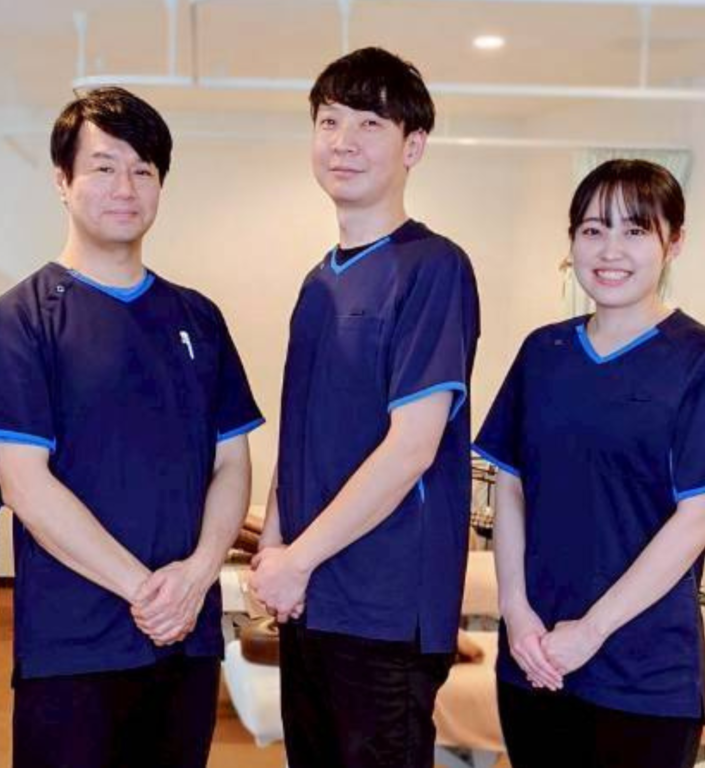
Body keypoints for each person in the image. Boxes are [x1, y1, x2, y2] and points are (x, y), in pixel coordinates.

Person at [0, 86, 263, 768]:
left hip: (187, 641)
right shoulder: (23, 317)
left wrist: (198, 574)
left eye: (142, 170)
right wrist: (146, 592)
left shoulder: (198, 317)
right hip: (75, 646)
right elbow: (25, 486)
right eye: (103, 167)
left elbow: (232, 463)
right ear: (61, 181)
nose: (125, 187)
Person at [475, 159, 705, 768]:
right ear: (572, 241)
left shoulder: (703, 359)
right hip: (534, 657)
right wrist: (516, 612)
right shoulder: (544, 351)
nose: (610, 250)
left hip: (643, 675)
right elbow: (512, 485)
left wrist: (590, 632)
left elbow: (697, 518)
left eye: (635, 230)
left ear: (674, 242)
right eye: (592, 229)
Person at [250, 47, 481, 768]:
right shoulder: (318, 282)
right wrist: (273, 552)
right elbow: (301, 436)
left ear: (413, 146)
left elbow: (413, 446)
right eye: (329, 121)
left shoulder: (433, 267)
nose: (343, 141)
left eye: (370, 123)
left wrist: (297, 560)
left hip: (384, 610)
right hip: (311, 600)